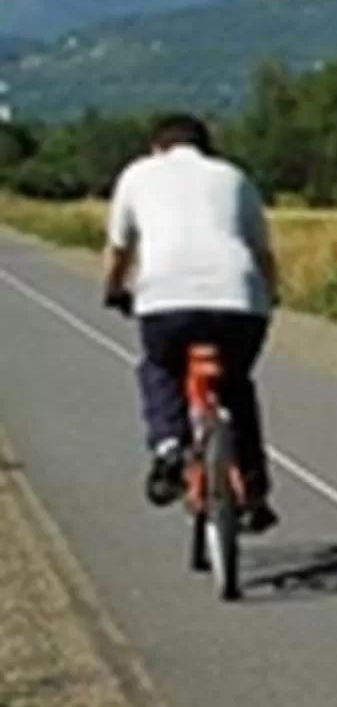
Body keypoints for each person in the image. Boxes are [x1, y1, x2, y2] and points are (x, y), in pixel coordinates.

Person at [102, 112, 281, 533]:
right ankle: (253, 489)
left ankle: (167, 446)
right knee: (235, 384)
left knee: (160, 367)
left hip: (165, 301)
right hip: (238, 299)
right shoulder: (234, 177)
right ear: (206, 147)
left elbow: (119, 248)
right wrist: (270, 294)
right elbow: (262, 252)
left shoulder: (138, 175)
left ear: (157, 147)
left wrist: (113, 289)